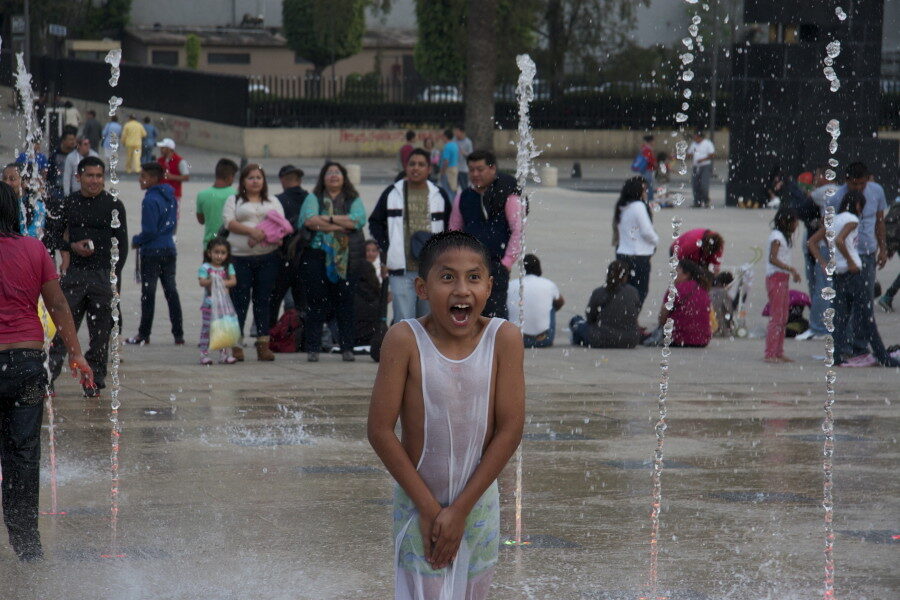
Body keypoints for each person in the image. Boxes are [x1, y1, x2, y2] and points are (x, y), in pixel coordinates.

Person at [367, 230, 524, 600]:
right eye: (447, 277)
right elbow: (379, 430)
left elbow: (510, 428)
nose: (461, 290)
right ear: (422, 288)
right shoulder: (404, 339)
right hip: (416, 502)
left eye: (473, 277)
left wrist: (460, 511)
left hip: (479, 504)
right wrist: (429, 508)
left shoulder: (504, 339)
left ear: (488, 286)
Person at [0, 182, 93, 562]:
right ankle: (27, 546)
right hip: (25, 363)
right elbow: (58, 306)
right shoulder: (34, 249)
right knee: (22, 455)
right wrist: (77, 356)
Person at [48, 156, 128, 397]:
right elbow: (50, 237)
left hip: (103, 276)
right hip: (75, 276)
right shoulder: (68, 203)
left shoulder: (114, 204)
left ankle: (95, 381)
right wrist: (71, 247)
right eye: (89, 176)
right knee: (62, 330)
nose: (94, 181)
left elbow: (121, 247)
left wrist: (115, 282)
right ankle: (48, 379)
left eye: (98, 176)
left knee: (101, 335)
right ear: (78, 177)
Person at [809, 191, 898, 367]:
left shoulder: (834, 220)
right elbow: (841, 241)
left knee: (840, 318)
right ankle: (883, 357)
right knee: (867, 318)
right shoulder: (852, 219)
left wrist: (824, 263)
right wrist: (850, 261)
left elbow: (812, 242)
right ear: (858, 205)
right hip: (853, 274)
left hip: (838, 274)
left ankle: (836, 356)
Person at [370, 148, 452, 322]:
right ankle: (405, 350)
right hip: (401, 270)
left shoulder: (439, 194)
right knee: (404, 322)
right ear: (406, 167)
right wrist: (388, 246)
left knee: (429, 321)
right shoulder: (392, 192)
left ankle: (424, 351)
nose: (416, 168)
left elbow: (450, 227)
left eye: (421, 164)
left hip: (431, 269)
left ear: (429, 169)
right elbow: (375, 222)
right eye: (412, 164)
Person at [298, 162, 367, 362]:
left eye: (337, 172)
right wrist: (339, 222)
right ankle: (313, 347)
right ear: (323, 177)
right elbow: (310, 220)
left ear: (344, 177)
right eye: (329, 172)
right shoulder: (313, 198)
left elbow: (357, 220)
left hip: (346, 259)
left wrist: (326, 220)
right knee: (316, 303)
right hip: (316, 256)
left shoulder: (353, 198)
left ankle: (347, 348)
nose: (334, 176)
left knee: (345, 303)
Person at [825, 162, 890, 356]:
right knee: (843, 304)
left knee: (865, 301)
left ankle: (859, 345)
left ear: (868, 179)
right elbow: (830, 229)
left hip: (868, 253)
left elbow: (879, 221)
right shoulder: (836, 197)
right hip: (846, 257)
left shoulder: (877, 191)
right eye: (854, 185)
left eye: (862, 184)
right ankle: (843, 346)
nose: (859, 188)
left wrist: (883, 248)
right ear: (846, 181)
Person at [449, 150, 524, 319]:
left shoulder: (508, 196)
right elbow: (454, 230)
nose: (475, 174)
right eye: (471, 169)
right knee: (468, 315)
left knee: (494, 318)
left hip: (495, 267)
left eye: (480, 169)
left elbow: (518, 230)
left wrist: (506, 262)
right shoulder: (463, 196)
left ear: (492, 169)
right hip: (467, 268)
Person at [222, 164, 284, 362]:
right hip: (240, 258)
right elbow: (228, 222)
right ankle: (236, 344)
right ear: (243, 182)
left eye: (259, 177)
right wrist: (252, 232)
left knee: (263, 301)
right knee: (239, 301)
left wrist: (264, 234)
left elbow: (281, 224)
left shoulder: (273, 201)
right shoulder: (234, 200)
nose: (255, 181)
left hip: (267, 257)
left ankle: (263, 344)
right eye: (251, 178)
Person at [125, 162, 183, 346]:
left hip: (152, 252)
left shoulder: (149, 200)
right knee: (171, 291)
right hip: (169, 248)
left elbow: (149, 230)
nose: (140, 180)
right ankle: (178, 334)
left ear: (153, 179)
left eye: (143, 176)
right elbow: (172, 224)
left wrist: (137, 240)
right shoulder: (170, 197)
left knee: (148, 293)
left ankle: (144, 333)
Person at [268, 164, 310, 328]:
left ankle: (268, 335)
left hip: (282, 257)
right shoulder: (311, 199)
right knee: (304, 302)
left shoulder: (277, 200)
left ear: (282, 180)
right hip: (306, 257)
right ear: (300, 180)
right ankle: (302, 336)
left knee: (274, 300)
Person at [570, 259, 641, 348]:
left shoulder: (600, 292)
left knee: (576, 321)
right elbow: (635, 313)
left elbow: (590, 317)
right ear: (625, 276)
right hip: (630, 340)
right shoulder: (633, 292)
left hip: (602, 339)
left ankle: (579, 339)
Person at [763, 208, 802, 363]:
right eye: (794, 222)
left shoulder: (782, 237)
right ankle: (771, 352)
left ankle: (778, 351)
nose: (796, 225)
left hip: (782, 279)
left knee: (783, 316)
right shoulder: (777, 237)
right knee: (777, 317)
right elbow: (773, 258)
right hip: (776, 278)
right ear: (786, 222)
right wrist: (791, 269)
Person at [613, 176, 658, 308]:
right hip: (638, 255)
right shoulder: (638, 206)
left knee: (624, 289)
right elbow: (646, 231)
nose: (646, 193)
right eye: (644, 190)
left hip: (622, 252)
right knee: (640, 290)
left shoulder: (622, 205)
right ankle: (631, 321)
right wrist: (655, 240)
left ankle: (624, 319)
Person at [507, 254, 565, 348]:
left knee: (510, 303)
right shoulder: (548, 284)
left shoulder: (510, 285)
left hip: (516, 340)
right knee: (552, 304)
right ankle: (540, 330)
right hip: (544, 340)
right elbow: (560, 302)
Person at [198, 237, 238, 365]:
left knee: (224, 328)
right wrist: (212, 279)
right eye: (216, 252)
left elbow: (233, 281)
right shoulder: (205, 267)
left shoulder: (227, 267)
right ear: (209, 253)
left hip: (223, 305)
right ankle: (204, 354)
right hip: (209, 305)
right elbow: (202, 282)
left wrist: (221, 281)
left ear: (227, 254)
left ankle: (224, 354)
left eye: (223, 253)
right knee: (207, 329)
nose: (219, 256)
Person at [653, 259, 711, 348]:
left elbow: (663, 316)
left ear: (686, 274)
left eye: (676, 271)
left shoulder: (675, 289)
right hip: (702, 340)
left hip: (678, 339)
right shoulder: (703, 288)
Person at [195, 158, 239, 245]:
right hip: (230, 244)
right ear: (230, 177)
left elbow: (201, 220)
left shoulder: (202, 195)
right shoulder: (236, 194)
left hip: (209, 244)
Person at [2, 163, 45, 239]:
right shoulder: (2, 203)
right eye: (4, 178)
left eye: (12, 179)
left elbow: (33, 234)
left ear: (24, 182)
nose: (6, 183)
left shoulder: (36, 205)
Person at [353, 240, 383, 346]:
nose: (370, 253)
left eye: (373, 250)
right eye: (368, 250)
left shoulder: (384, 267)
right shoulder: (363, 266)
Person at [156, 138, 190, 224]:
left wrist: (172, 177)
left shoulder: (180, 161)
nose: (161, 149)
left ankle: (173, 236)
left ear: (170, 149)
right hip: (160, 194)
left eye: (163, 148)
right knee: (160, 216)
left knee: (173, 217)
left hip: (174, 195)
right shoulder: (159, 160)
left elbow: (186, 177)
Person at [687, 130, 715, 208]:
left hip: (705, 166)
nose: (694, 139)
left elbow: (712, 155)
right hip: (696, 166)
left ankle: (706, 201)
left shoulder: (707, 143)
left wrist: (703, 159)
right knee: (695, 184)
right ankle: (697, 202)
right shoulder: (693, 144)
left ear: (700, 137)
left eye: (696, 137)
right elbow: (689, 153)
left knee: (704, 184)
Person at [635, 134, 658, 203]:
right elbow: (649, 159)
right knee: (648, 184)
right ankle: (649, 198)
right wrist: (655, 164)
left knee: (646, 184)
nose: (654, 142)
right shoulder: (647, 149)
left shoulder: (644, 148)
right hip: (647, 169)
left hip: (645, 169)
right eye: (653, 141)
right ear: (650, 141)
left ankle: (645, 198)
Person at [439, 129, 459, 199]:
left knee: (447, 189)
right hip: (455, 168)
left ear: (445, 136)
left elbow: (446, 161)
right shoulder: (455, 145)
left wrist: (443, 171)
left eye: (443, 136)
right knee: (453, 188)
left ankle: (450, 206)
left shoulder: (447, 146)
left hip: (448, 170)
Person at [454, 125, 473, 190]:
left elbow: (471, 156)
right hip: (454, 168)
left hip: (463, 169)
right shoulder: (454, 140)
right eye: (455, 132)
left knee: (464, 187)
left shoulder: (468, 142)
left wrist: (464, 153)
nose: (455, 133)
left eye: (457, 132)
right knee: (454, 188)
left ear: (462, 132)